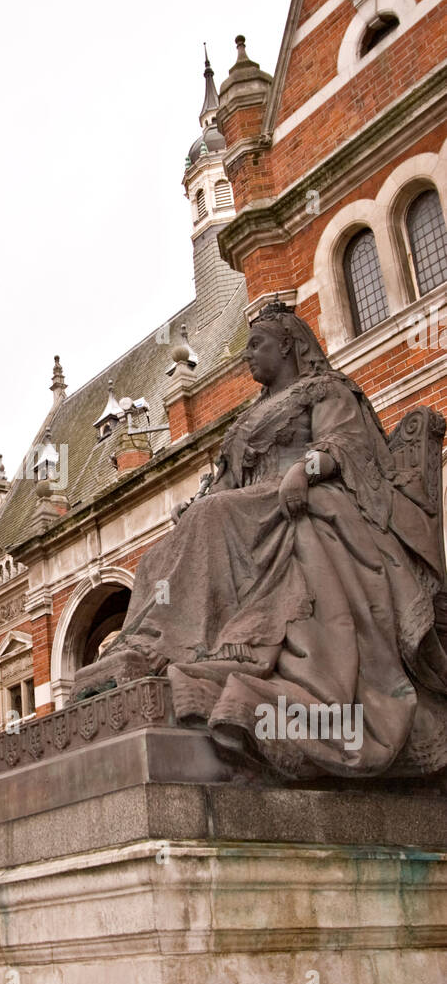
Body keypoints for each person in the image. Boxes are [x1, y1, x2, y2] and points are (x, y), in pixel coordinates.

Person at [73, 303, 447, 780]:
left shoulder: (325, 390)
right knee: (156, 557)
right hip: (250, 504)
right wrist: (193, 506)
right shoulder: (252, 415)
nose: (248, 355)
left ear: (287, 345)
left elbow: (347, 446)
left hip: (309, 499)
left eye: (257, 345)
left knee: (216, 515)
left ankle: (199, 649)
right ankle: (155, 644)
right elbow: (226, 481)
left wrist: (304, 469)